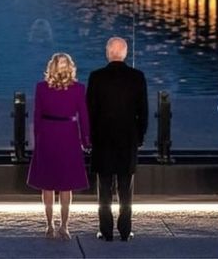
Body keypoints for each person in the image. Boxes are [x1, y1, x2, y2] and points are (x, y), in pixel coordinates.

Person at [86, 37, 148, 242]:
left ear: (108, 53)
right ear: (125, 53)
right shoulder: (137, 77)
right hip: (127, 140)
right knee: (126, 189)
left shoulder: (96, 77)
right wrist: (139, 137)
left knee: (104, 189)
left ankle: (106, 231)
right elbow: (143, 112)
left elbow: (89, 111)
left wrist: (89, 137)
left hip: (102, 140)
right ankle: (125, 230)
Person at [26, 53, 90, 240]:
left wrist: (37, 138)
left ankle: (49, 225)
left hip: (47, 136)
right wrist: (86, 140)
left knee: (47, 184)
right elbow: (84, 117)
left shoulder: (41, 88)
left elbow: (37, 115)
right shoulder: (79, 89)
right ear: (70, 67)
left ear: (51, 67)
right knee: (66, 185)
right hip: (69, 136)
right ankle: (64, 226)